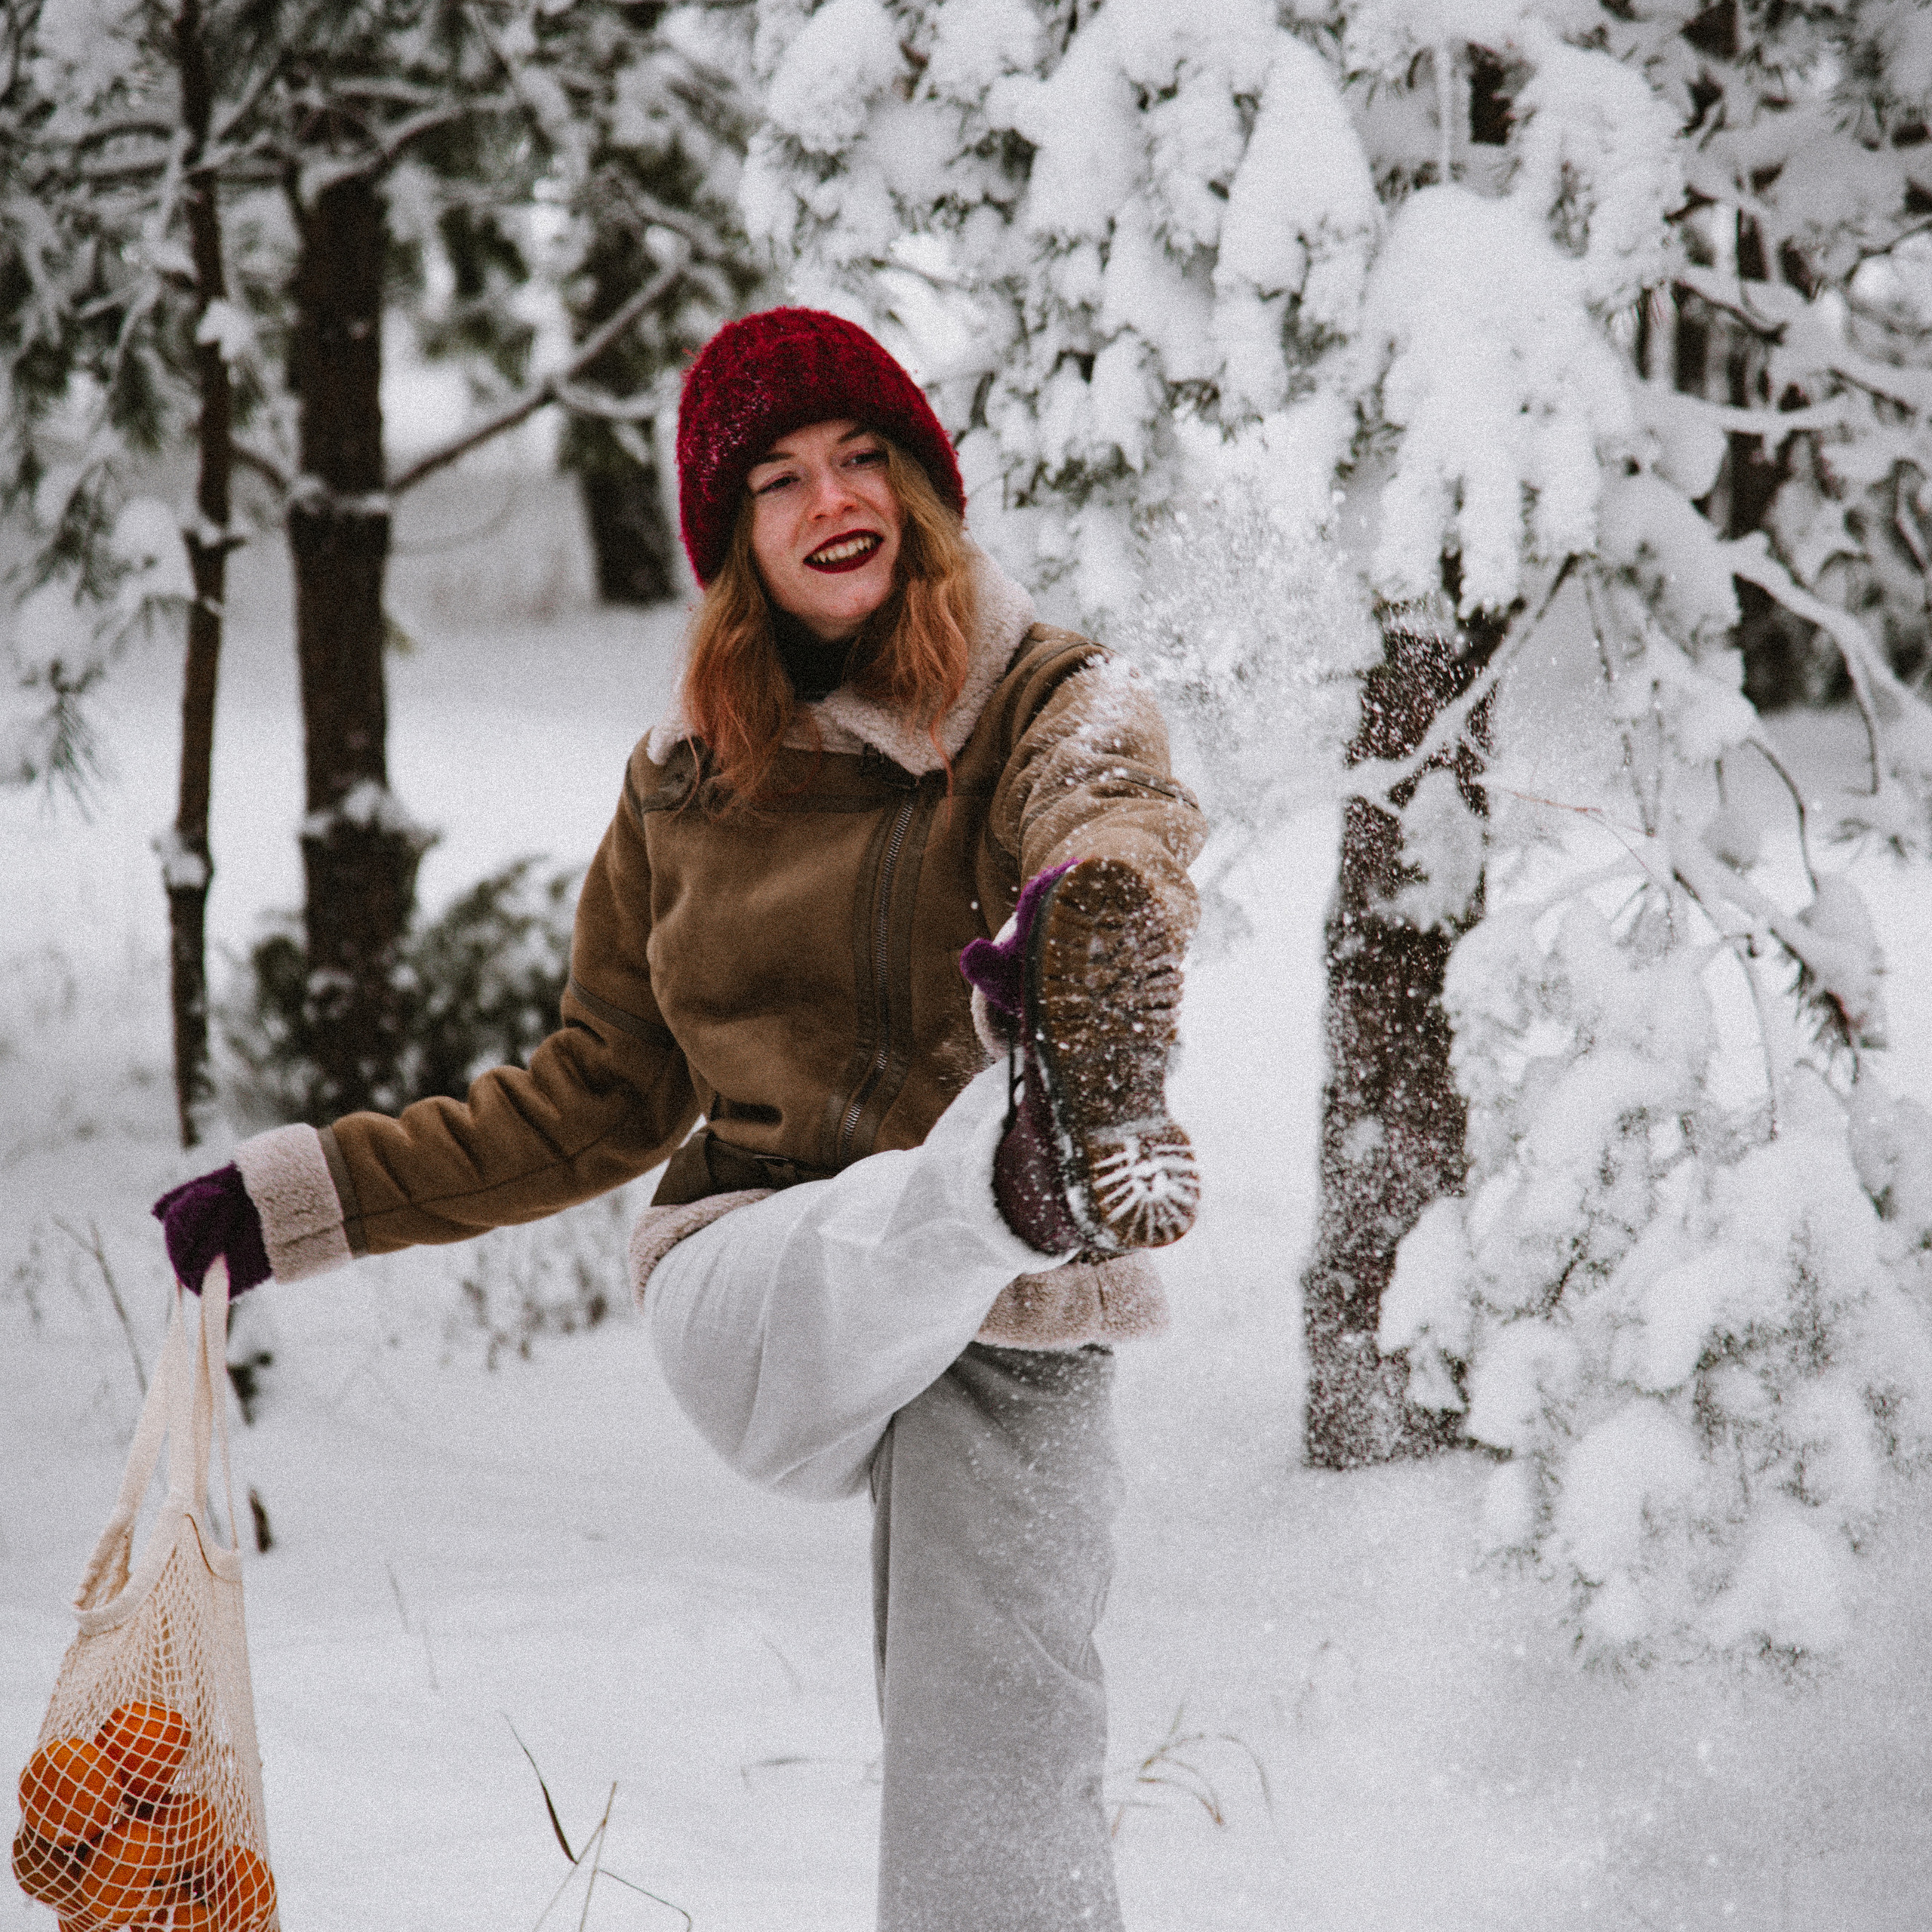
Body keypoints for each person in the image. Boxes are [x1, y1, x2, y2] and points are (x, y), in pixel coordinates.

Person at [153, 306, 1205, 1932]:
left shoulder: (1049, 695)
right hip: (763, 1276)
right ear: (733, 544)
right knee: (938, 1194)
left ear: (922, 489)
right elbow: (588, 1094)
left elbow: (1112, 797)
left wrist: (1086, 899)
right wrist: (310, 1198)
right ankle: (1027, 1157)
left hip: (1004, 1303)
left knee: (1005, 1743)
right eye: (775, 479)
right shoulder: (683, 785)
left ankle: (1035, 1150)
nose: (828, 496)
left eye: (863, 456)